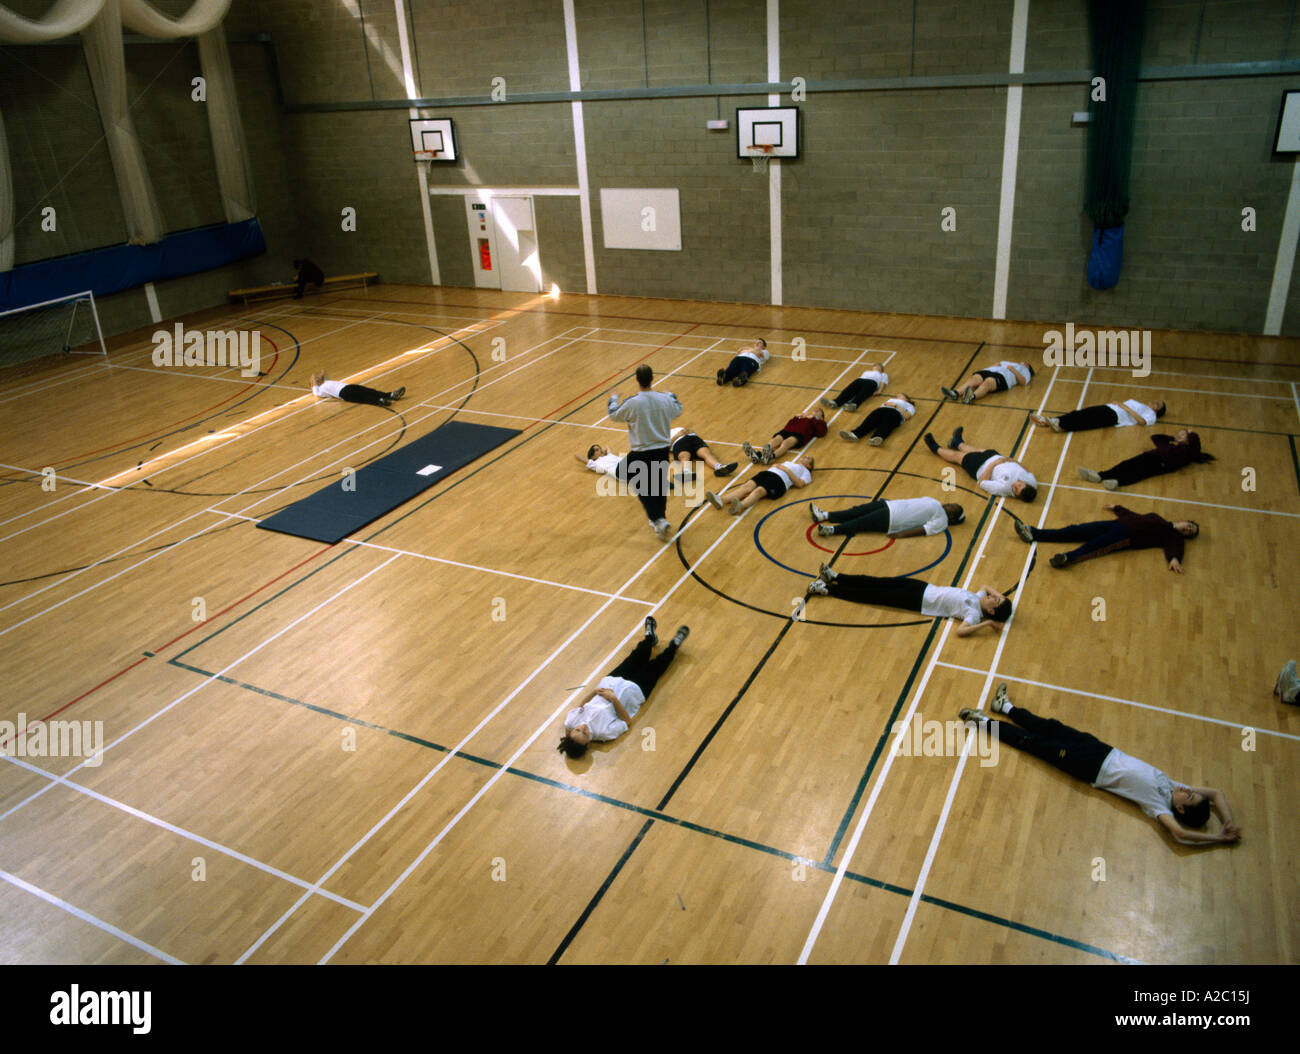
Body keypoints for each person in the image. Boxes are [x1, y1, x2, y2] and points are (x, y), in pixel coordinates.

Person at [959, 684, 1241, 847]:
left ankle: (981, 722)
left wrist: (1218, 839)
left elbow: (1179, 833)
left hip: (1088, 767)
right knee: (1050, 726)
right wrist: (1228, 822)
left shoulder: (1158, 806)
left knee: (1031, 743)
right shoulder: (1173, 787)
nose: (1186, 788)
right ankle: (1005, 707)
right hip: (1101, 748)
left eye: (1189, 795)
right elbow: (1217, 793)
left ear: (1180, 808)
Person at [557, 617, 690, 759]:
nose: (582, 728)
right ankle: (674, 646)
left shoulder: (570, 722)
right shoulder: (604, 734)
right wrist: (614, 699)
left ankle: (650, 638)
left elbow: (581, 706)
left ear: (571, 732)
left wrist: (594, 691)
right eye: (584, 734)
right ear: (587, 743)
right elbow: (626, 721)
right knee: (656, 666)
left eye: (578, 730)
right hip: (633, 692)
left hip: (610, 682)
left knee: (637, 656)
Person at [804, 564, 1011, 636]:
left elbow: (960, 631)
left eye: (995, 601)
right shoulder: (979, 596)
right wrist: (1002, 600)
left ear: (991, 612)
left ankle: (828, 590)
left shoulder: (974, 614)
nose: (993, 596)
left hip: (916, 601)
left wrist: (988, 623)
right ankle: (836, 577)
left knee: (871, 596)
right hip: (922, 587)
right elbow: (985, 585)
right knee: (877, 582)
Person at [608, 364, 683, 542]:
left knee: (638, 483)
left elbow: (613, 414)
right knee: (657, 486)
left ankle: (657, 518)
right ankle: (660, 519)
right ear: (652, 378)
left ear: (636, 379)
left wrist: (612, 398)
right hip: (662, 450)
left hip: (641, 452)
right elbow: (678, 409)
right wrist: (671, 395)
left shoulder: (633, 402)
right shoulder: (664, 400)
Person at [1013, 502, 1198, 572]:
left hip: (1126, 537)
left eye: (1190, 532)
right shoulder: (1159, 518)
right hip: (1116, 524)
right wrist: (1117, 508)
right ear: (1184, 520)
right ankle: (1033, 533)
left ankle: (1067, 559)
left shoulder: (1173, 536)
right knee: (1075, 530)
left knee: (1094, 547)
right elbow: (1135, 517)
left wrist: (1174, 559)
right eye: (1190, 526)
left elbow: (1174, 547)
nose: (1187, 529)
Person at [923, 426, 1038, 502]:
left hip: (979, 466)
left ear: (1016, 495)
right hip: (995, 456)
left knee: (957, 456)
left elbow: (982, 482)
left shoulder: (1003, 489)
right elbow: (1027, 471)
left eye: (1016, 489)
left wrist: (993, 464)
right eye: (1020, 484)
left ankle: (935, 448)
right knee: (974, 449)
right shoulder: (1031, 482)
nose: (1016, 484)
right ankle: (957, 442)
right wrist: (1014, 461)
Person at [1078, 429, 1214, 490]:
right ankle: (1100, 476)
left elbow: (1194, 446)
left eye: (1184, 435)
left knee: (1138, 473)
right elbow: (1155, 437)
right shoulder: (1170, 444)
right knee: (1126, 465)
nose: (1180, 434)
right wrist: (1173, 438)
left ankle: (1117, 482)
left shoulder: (1186, 452)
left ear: (1189, 441)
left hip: (1161, 464)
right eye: (1180, 432)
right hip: (1149, 456)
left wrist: (1189, 435)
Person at [705, 454, 814, 515]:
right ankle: (721, 500)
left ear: (809, 466)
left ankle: (740, 506)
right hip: (768, 473)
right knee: (746, 487)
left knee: (759, 491)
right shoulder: (790, 462)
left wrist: (785, 469)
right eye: (805, 456)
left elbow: (799, 484)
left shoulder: (806, 472)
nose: (805, 457)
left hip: (780, 481)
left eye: (808, 458)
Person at [809, 496, 964, 538]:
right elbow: (912, 503)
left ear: (952, 517)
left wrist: (902, 534)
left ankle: (831, 531)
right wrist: (889, 501)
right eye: (952, 503)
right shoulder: (935, 502)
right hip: (890, 506)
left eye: (952, 507)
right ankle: (824, 515)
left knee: (860, 522)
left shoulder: (942, 521)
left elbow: (924, 530)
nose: (949, 504)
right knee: (857, 510)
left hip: (893, 519)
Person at [743, 408, 828, 465]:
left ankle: (770, 457)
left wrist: (814, 418)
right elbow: (789, 423)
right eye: (814, 410)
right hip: (788, 430)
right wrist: (796, 417)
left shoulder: (820, 423)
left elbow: (821, 433)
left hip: (800, 434)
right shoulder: (803, 416)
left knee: (786, 443)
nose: (814, 411)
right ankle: (758, 455)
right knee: (775, 440)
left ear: (822, 416)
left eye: (818, 411)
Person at [1031, 399, 1165, 433]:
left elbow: (1142, 422)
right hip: (1111, 408)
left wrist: (1125, 407)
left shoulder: (1151, 415)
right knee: (1081, 414)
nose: (1155, 402)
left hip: (1116, 415)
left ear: (1158, 410)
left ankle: (1056, 423)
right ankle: (1055, 422)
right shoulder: (1144, 406)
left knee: (1085, 420)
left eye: (1158, 404)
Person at [839, 393, 916, 445]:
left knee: (886, 425)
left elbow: (907, 416)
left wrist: (896, 406)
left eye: (900, 396)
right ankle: (854, 435)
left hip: (895, 413)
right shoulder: (890, 400)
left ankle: (876, 438)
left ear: (906, 399)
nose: (896, 397)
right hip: (881, 410)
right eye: (896, 396)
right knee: (869, 422)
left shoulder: (909, 405)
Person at [940, 361, 1033, 403]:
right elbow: (997, 363)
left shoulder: (1025, 371)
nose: (1024, 362)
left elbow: (1023, 382)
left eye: (1027, 363)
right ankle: (955, 393)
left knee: (988, 382)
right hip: (990, 370)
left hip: (1004, 377)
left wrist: (1013, 370)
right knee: (975, 379)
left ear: (1028, 367)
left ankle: (971, 397)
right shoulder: (1009, 362)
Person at [669, 426, 738, 481]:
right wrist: (677, 435)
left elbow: (689, 431)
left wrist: (689, 431)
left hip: (693, 437)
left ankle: (719, 467)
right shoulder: (663, 435)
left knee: (706, 453)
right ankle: (686, 472)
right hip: (678, 442)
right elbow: (666, 446)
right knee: (684, 457)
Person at [310, 371, 405, 407]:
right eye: (317, 380)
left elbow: (324, 373)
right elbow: (313, 377)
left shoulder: (326, 382)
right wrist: (314, 381)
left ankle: (390, 395)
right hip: (343, 394)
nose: (318, 379)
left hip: (348, 386)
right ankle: (380, 401)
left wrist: (320, 377)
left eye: (318, 379)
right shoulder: (320, 390)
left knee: (369, 391)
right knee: (363, 397)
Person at [820, 365, 889, 411]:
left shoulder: (883, 374)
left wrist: (879, 391)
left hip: (872, 383)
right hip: (860, 380)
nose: (876, 367)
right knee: (848, 390)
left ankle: (852, 405)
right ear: (873, 368)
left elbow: (883, 382)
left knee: (862, 394)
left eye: (879, 366)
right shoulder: (867, 372)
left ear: (881, 369)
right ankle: (835, 402)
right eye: (875, 366)